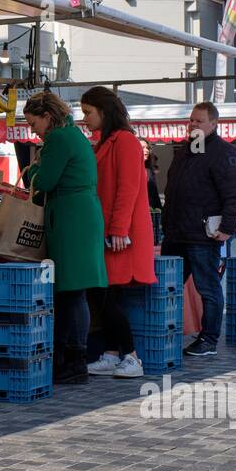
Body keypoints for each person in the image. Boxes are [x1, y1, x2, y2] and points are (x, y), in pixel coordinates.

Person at [22, 91, 107, 385]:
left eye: (35, 124)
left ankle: (71, 361)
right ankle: (74, 359)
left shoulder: (57, 139)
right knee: (75, 292)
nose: (34, 131)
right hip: (82, 215)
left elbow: (44, 181)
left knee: (70, 292)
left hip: (71, 217)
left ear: (47, 116)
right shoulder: (73, 135)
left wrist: (32, 168)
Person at [161, 101, 236, 357]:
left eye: (199, 121)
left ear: (213, 123)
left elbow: (235, 195)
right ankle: (168, 333)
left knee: (207, 288)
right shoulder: (185, 151)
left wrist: (227, 227)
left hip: (202, 236)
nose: (193, 125)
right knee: (169, 287)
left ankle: (209, 339)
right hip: (176, 233)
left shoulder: (223, 152)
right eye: (191, 120)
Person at [81, 87, 155, 379]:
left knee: (106, 295)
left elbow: (128, 188)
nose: (85, 118)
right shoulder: (107, 142)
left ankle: (132, 357)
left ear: (103, 110)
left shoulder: (125, 141)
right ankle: (113, 354)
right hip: (112, 231)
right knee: (106, 294)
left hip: (121, 234)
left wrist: (119, 229)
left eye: (88, 112)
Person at [140, 137, 162, 211]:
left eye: (147, 148)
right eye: (143, 147)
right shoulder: (130, 170)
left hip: (151, 211)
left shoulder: (149, 170)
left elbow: (155, 194)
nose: (146, 150)